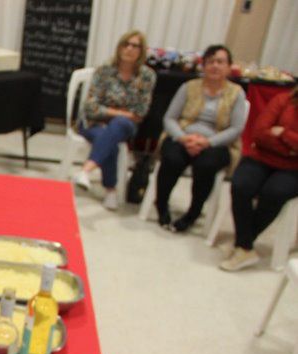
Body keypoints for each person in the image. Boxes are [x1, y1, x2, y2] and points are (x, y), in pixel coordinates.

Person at [154, 44, 248, 232]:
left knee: (205, 165)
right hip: (184, 137)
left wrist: (207, 142)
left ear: (229, 67)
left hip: (217, 143)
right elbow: (170, 118)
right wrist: (183, 138)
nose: (215, 66)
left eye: (220, 62)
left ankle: (193, 213)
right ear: (203, 66)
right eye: (210, 62)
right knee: (172, 158)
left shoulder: (236, 93)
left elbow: (236, 129)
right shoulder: (188, 87)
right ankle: (162, 205)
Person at [74, 30, 156, 210]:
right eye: (126, 44)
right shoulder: (104, 70)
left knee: (117, 126)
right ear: (119, 47)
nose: (130, 49)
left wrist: (113, 115)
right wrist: (122, 113)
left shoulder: (147, 76)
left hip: (125, 125)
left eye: (135, 46)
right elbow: (91, 107)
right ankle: (110, 190)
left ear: (141, 51)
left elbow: (141, 112)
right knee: (109, 136)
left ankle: (86, 170)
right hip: (93, 123)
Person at [220, 86, 298, 271]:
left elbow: (271, 134)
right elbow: (260, 132)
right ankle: (245, 247)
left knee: (273, 192)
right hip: (261, 157)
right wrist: (292, 149)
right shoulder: (282, 100)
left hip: (293, 169)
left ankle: (242, 243)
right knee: (241, 185)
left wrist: (284, 134)